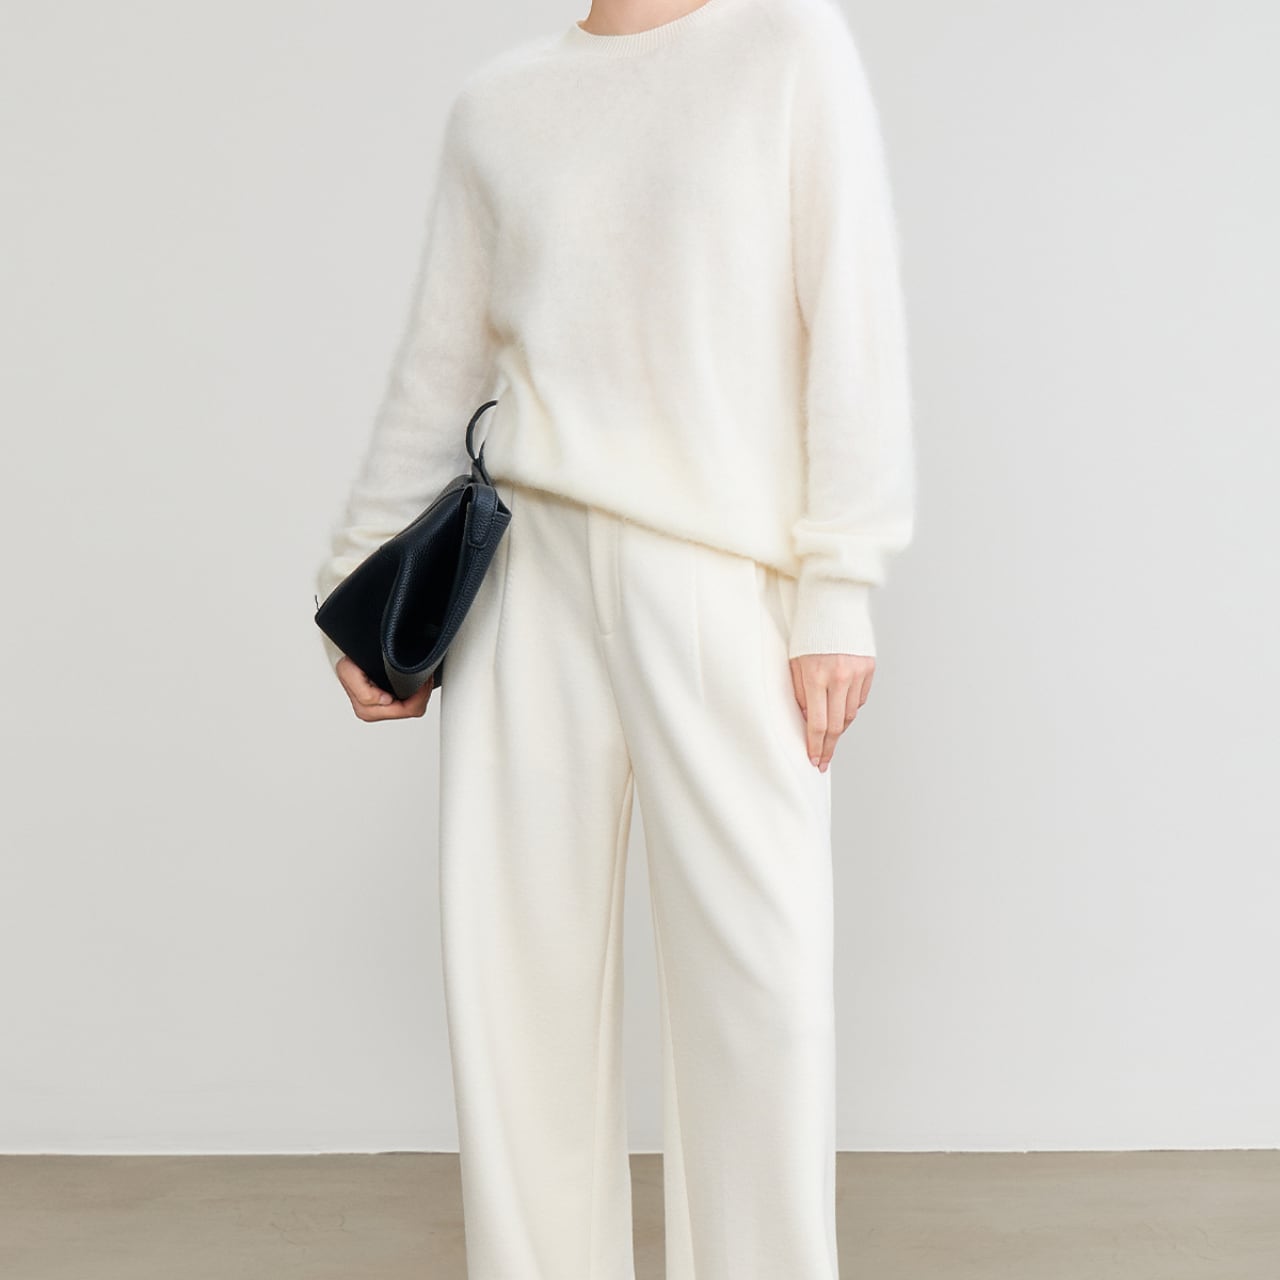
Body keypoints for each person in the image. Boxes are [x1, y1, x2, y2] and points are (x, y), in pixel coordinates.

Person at [314, 0, 915, 1274]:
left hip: (717, 579)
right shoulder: (498, 104)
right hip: (523, 583)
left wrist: (838, 584)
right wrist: (360, 584)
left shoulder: (786, 46)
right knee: (514, 991)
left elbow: (849, 323)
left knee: (759, 996)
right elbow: (439, 365)